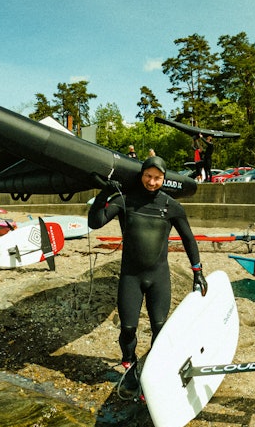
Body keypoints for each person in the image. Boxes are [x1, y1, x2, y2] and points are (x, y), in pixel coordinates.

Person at [88, 155, 207, 394]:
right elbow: (95, 222)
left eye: (157, 178)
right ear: (142, 175)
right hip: (131, 277)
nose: (152, 182)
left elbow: (188, 239)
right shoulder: (125, 201)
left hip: (159, 277)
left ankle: (154, 369)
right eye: (148, 176)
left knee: (160, 328)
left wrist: (198, 271)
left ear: (164, 179)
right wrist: (104, 194)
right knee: (129, 328)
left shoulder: (171, 205)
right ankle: (129, 363)